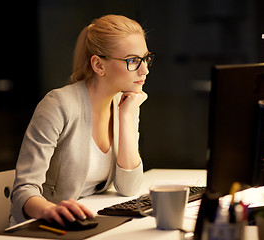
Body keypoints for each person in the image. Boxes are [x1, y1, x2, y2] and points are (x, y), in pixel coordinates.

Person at [10, 14, 155, 226]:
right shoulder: (58, 104)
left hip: (89, 220)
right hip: (46, 226)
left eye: (146, 58)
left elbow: (129, 188)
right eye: (132, 61)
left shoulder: (124, 102)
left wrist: (126, 116)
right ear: (98, 65)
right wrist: (51, 210)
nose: (145, 70)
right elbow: (24, 190)